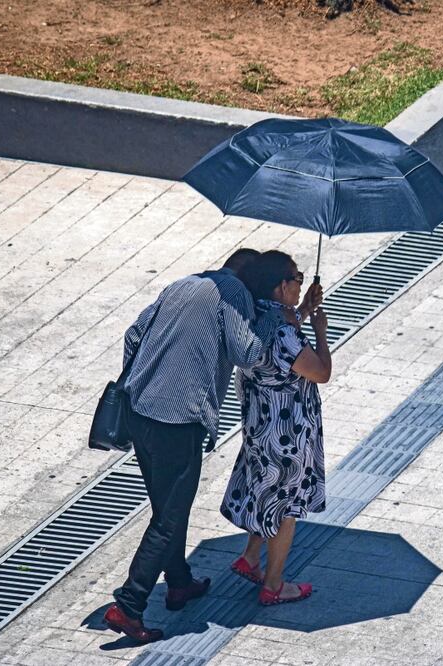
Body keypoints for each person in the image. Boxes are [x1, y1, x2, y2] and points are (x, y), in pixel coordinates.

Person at [102, 248, 322, 643]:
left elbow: (134, 334)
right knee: (169, 518)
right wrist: (274, 315)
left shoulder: (185, 283)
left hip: (139, 408)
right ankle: (130, 605)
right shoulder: (233, 294)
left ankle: (180, 583)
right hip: (178, 418)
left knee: (166, 506)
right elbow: (249, 352)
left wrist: (146, 378)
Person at [221, 250, 332, 606]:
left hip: (259, 426)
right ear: (281, 286)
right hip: (288, 434)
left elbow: (279, 333)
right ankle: (274, 584)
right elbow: (321, 372)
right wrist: (320, 332)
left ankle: (251, 557)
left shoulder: (252, 318)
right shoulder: (285, 334)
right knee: (286, 509)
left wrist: (303, 312)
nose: (300, 284)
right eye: (297, 279)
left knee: (265, 491)